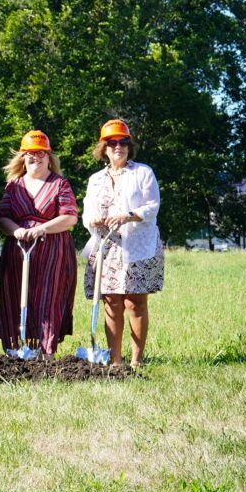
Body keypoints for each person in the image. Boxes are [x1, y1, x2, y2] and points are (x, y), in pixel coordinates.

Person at [82, 119, 163, 367]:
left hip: (137, 246)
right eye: (112, 142)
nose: (118, 146)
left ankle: (136, 361)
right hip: (106, 247)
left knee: (134, 302)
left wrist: (127, 215)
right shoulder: (96, 179)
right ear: (104, 147)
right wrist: (92, 219)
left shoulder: (142, 172)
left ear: (129, 145)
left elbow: (152, 206)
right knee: (112, 302)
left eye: (123, 142)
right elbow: (86, 211)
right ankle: (115, 361)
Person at [0, 130, 78, 359]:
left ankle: (46, 352)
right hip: (18, 251)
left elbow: (70, 217)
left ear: (49, 156)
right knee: (14, 298)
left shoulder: (59, 183)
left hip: (52, 251)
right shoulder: (14, 186)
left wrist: (42, 228)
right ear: (23, 157)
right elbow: (2, 217)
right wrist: (17, 230)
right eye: (31, 154)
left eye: (41, 153)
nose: (36, 158)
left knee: (48, 299)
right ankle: (17, 350)